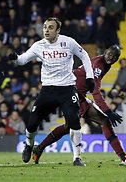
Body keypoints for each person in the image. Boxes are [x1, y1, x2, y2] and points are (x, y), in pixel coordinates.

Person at [32, 45, 126, 166]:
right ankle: (123, 157)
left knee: (69, 127)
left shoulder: (104, 63)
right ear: (105, 52)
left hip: (72, 92)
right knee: (103, 121)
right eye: (110, 55)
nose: (111, 58)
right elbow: (95, 91)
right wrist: (108, 111)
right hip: (72, 93)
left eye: (114, 57)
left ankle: (39, 148)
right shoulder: (98, 66)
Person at [7, 17, 95, 166]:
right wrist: (15, 58)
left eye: (50, 28)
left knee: (74, 120)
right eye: (45, 27)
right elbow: (22, 60)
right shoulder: (38, 46)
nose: (46, 30)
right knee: (32, 123)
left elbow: (84, 56)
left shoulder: (68, 42)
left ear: (58, 30)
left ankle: (77, 158)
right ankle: (29, 145)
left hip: (67, 88)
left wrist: (90, 77)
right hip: (48, 89)